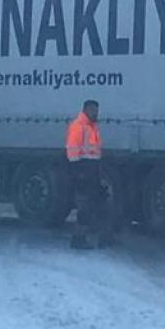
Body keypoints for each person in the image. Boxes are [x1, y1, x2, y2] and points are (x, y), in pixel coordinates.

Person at [65, 99, 110, 249]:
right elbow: (72, 150)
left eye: (96, 110)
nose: (96, 113)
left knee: (97, 205)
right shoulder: (79, 126)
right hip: (83, 170)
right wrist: (78, 175)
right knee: (85, 208)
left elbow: (95, 151)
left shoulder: (92, 127)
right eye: (93, 110)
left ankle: (102, 237)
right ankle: (78, 239)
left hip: (93, 170)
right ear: (85, 110)